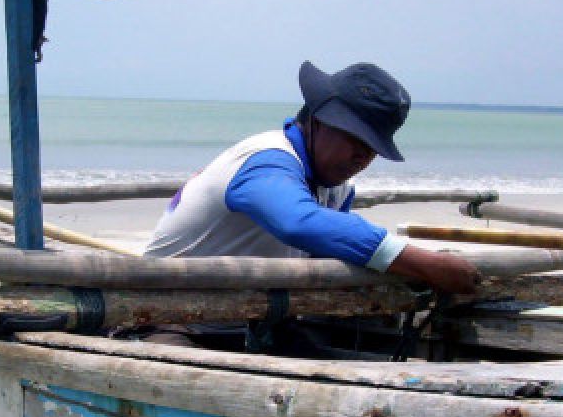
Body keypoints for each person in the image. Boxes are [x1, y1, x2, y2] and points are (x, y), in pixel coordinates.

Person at [145, 61, 479, 294]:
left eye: (372, 147)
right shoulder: (267, 160)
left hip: (246, 318)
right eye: (355, 139)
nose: (363, 156)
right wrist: (422, 261)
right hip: (171, 319)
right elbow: (300, 222)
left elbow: (332, 244)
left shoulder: (333, 188)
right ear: (318, 120)